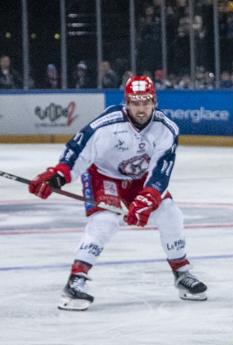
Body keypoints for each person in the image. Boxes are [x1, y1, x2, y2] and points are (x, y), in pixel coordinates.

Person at [27, 75, 207, 310]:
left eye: (145, 102)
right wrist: (58, 175)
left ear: (154, 101)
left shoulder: (167, 129)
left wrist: (148, 197)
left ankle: (182, 273)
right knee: (105, 219)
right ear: (126, 102)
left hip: (139, 178)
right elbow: (79, 149)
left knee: (170, 213)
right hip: (103, 175)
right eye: (135, 102)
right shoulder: (107, 123)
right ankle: (76, 280)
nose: (140, 109)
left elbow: (161, 171)